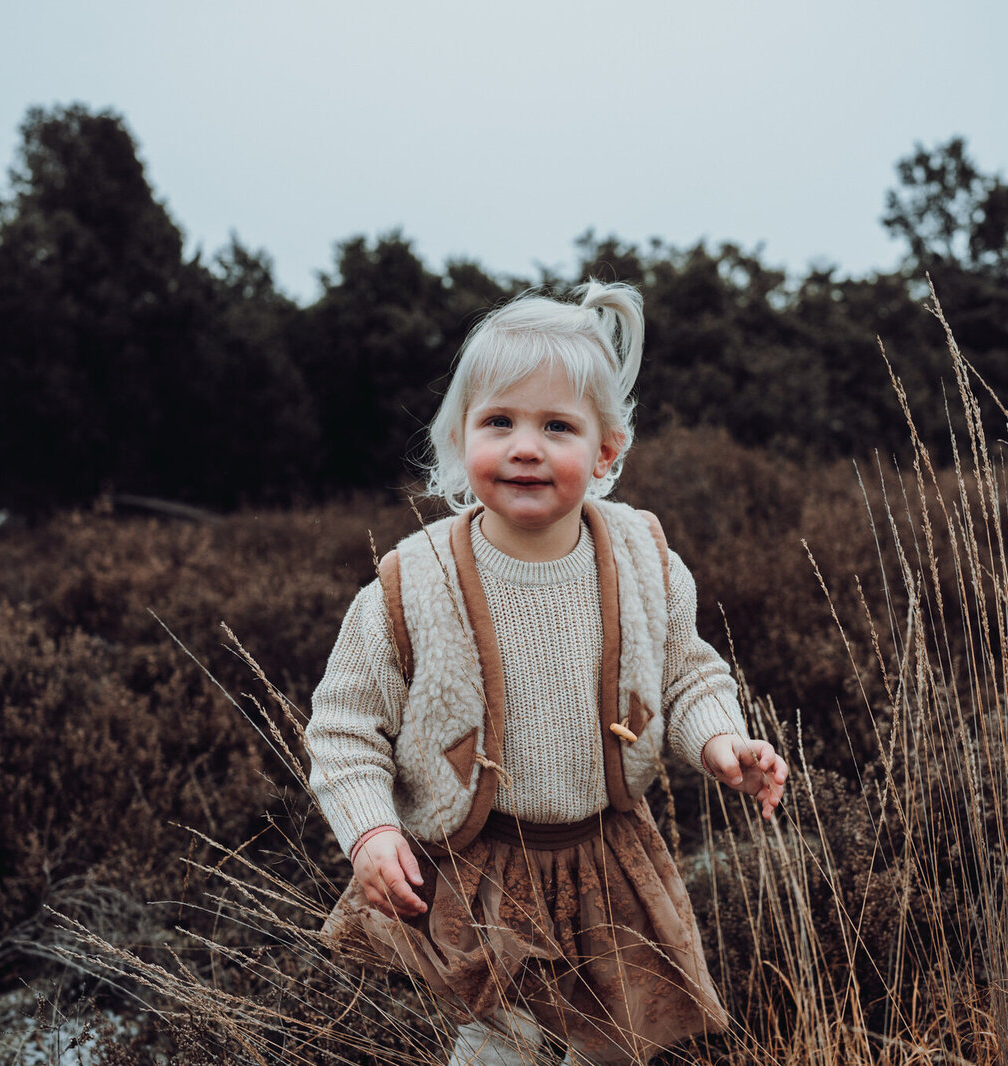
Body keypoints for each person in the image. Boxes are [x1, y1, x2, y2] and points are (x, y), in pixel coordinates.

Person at [304, 280, 788, 1065]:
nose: (525, 446)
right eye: (500, 422)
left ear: (605, 451)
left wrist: (721, 741)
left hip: (607, 857)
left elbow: (684, 673)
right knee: (500, 1050)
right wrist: (371, 830)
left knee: (615, 1045)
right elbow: (346, 726)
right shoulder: (412, 582)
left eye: (556, 426)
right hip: (483, 866)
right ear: (462, 439)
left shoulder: (643, 561)